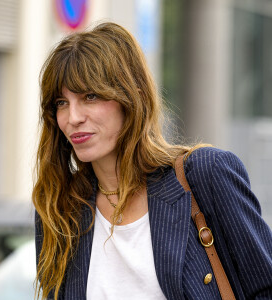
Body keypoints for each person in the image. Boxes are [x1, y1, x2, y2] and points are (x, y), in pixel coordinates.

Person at [33, 22, 272, 300]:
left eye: (90, 96)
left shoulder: (205, 174)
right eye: (61, 103)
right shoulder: (59, 208)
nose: (73, 118)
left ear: (132, 96)